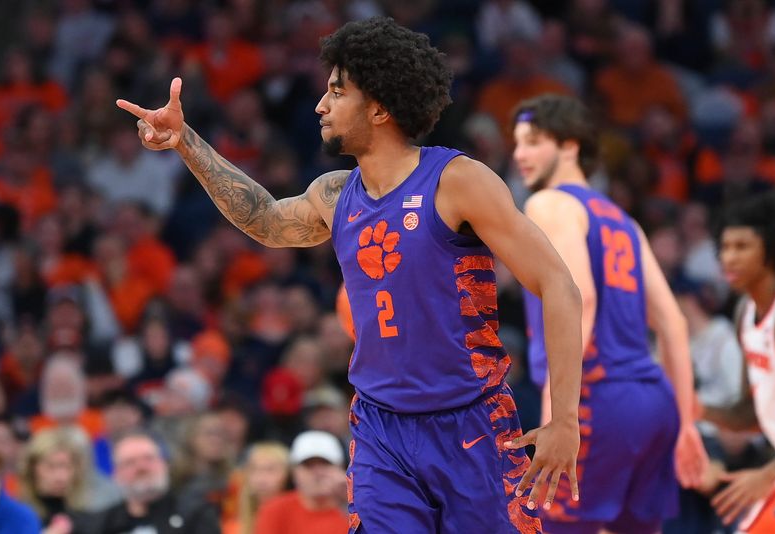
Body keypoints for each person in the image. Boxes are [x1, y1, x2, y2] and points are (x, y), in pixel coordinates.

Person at [116, 17, 583, 533]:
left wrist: (564, 419)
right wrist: (185, 143)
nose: (320, 105)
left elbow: (558, 286)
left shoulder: (457, 180)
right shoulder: (334, 194)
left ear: (380, 108)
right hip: (380, 428)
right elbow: (267, 221)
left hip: (470, 422)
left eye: (337, 92)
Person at [512, 94, 707, 534]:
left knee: (548, 526)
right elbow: (673, 325)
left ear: (570, 146)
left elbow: (578, 300)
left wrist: (555, 417)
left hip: (597, 400)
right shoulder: (623, 220)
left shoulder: (549, 204)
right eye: (517, 144)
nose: (519, 155)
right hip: (653, 403)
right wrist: (687, 424)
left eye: (532, 142)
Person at [703, 193, 775, 533]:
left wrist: (768, 474)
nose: (729, 258)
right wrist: (696, 409)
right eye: (725, 247)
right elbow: (751, 414)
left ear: (772, 250)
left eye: (742, 247)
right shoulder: (745, 311)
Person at [90, 430, 221, 534]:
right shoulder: (101, 524)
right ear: (116, 474)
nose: (141, 467)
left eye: (149, 458)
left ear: (165, 464)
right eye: (130, 462)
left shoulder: (196, 513)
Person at [255, 430, 347, 534]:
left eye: (325, 464)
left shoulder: (356, 513)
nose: (317, 473)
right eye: (308, 465)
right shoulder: (275, 511)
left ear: (341, 469)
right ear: (294, 472)